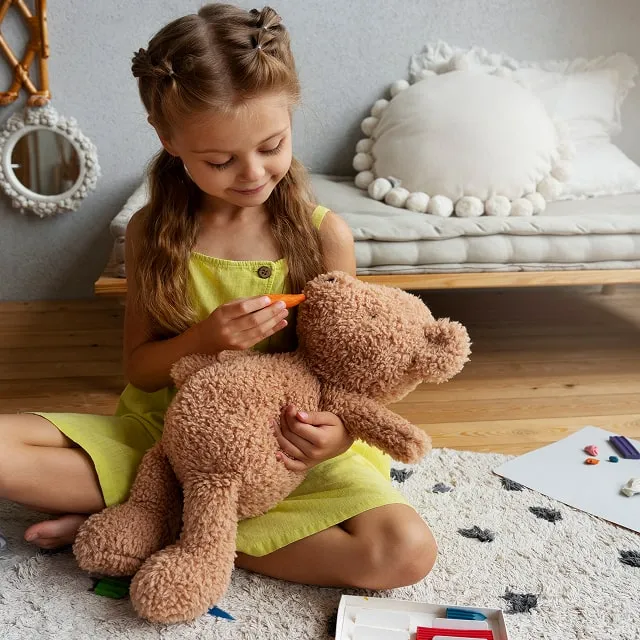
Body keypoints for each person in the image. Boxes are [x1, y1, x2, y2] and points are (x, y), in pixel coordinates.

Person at [0, 3, 436, 590]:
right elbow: (140, 370)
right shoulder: (151, 232)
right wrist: (205, 339)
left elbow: (349, 375)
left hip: (284, 454)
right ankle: (177, 511)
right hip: (170, 438)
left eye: (272, 145)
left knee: (404, 553)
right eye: (221, 160)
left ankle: (163, 524)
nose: (252, 173)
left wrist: (334, 437)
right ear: (168, 139)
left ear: (290, 116)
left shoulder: (323, 236)